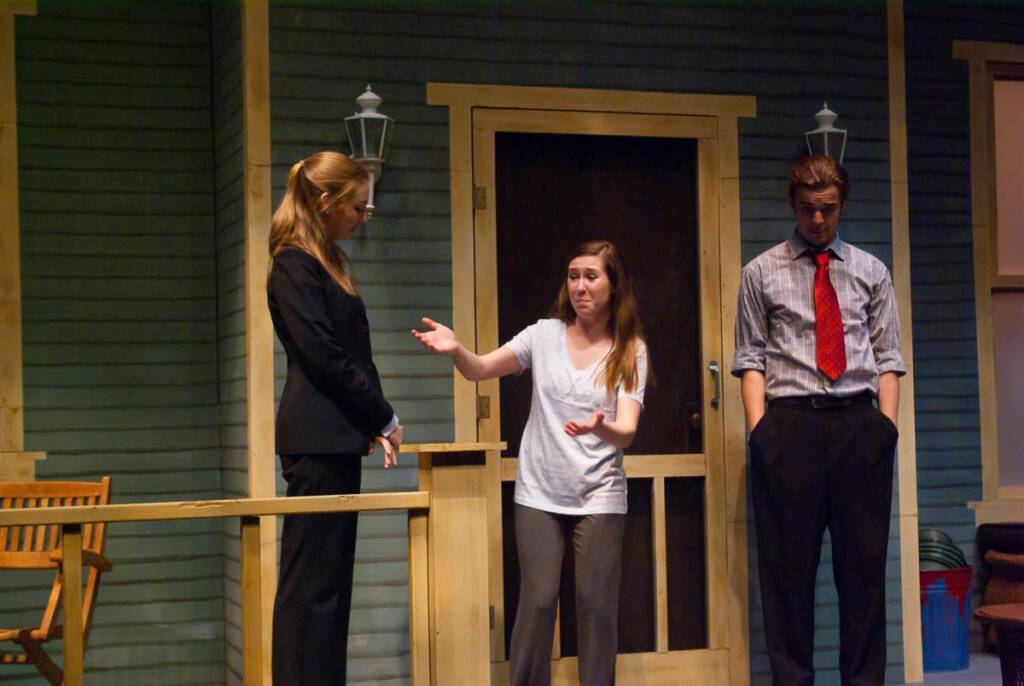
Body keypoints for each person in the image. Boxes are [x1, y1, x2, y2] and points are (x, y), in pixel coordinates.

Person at [412, 240, 649, 686]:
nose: (580, 286)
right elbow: (480, 369)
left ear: (614, 286)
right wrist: (456, 349)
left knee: (596, 605)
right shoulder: (543, 335)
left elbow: (628, 429)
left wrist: (602, 428)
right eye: (573, 275)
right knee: (538, 603)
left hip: (599, 494)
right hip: (539, 491)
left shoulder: (629, 348)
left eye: (591, 276)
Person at [732, 155, 904, 686]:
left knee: (863, 575)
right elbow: (749, 358)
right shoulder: (761, 272)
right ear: (794, 206)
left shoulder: (871, 271)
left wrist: (886, 429)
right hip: (789, 428)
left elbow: (889, 358)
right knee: (787, 576)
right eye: (808, 209)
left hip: (858, 427)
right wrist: (761, 433)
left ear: (841, 206)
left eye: (827, 209)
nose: (818, 220)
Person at [267, 151, 403, 686]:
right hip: (315, 441)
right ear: (325, 203)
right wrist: (383, 415)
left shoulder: (326, 261)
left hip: (337, 440)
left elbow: (352, 353)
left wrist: (372, 421)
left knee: (330, 590)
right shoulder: (293, 265)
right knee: (310, 592)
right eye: (358, 207)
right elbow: (324, 356)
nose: (362, 217)